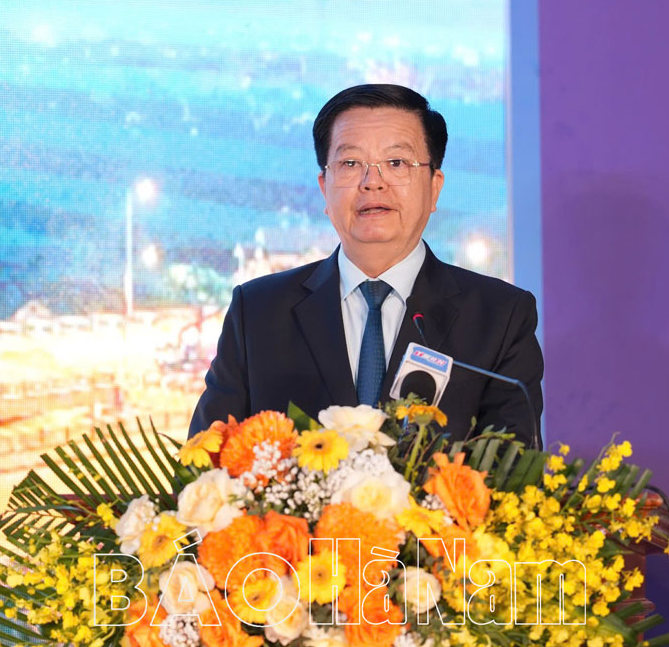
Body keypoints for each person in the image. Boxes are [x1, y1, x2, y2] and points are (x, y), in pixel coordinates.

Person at [188, 84, 543, 446]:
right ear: (324, 187)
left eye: (396, 163)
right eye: (350, 164)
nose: (373, 182)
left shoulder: (499, 317)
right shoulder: (258, 312)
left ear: (434, 187)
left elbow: (514, 468)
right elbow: (206, 460)